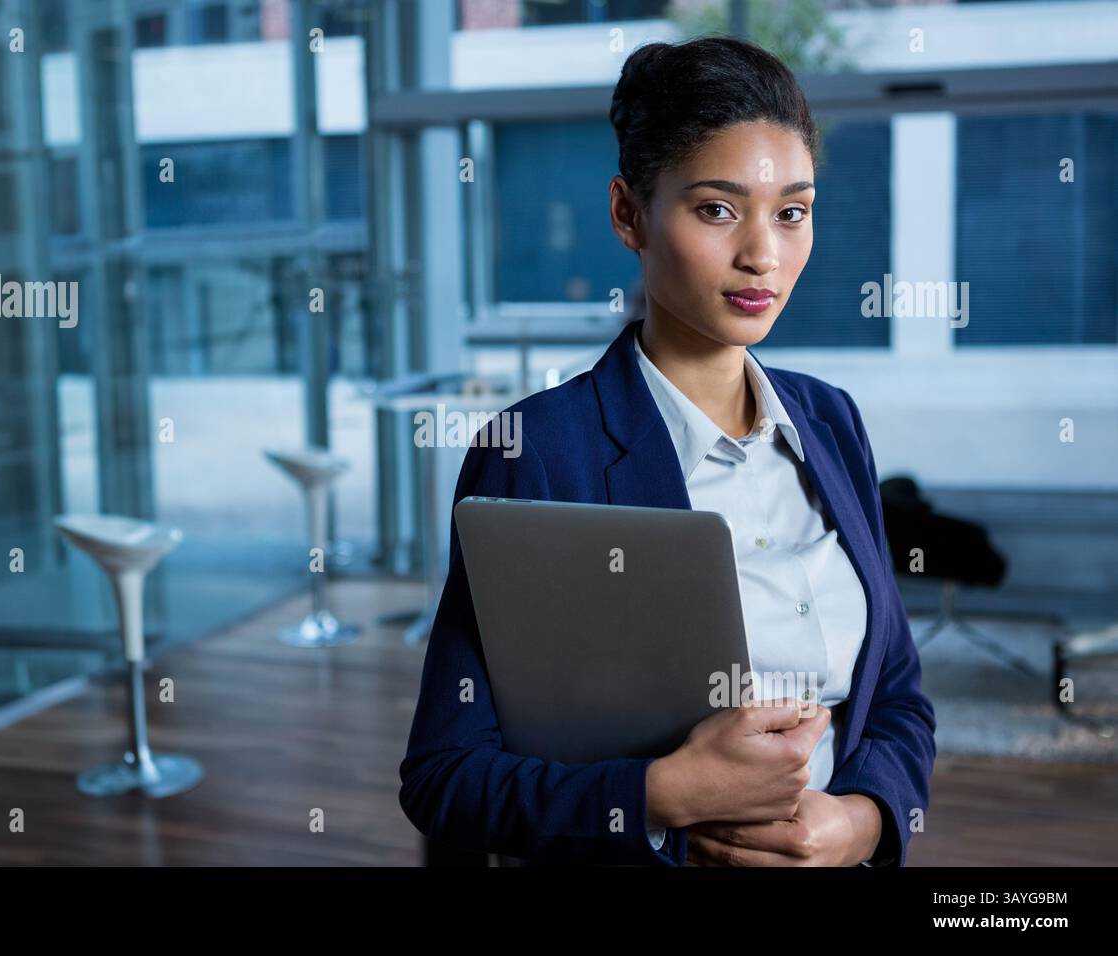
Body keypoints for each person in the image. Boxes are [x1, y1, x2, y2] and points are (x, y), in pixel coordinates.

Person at [399, 35, 936, 867]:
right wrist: (662, 794)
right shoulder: (540, 451)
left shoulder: (832, 421)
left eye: (791, 212)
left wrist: (861, 822)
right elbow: (447, 777)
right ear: (628, 214)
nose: (762, 255)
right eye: (717, 210)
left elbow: (897, 696)